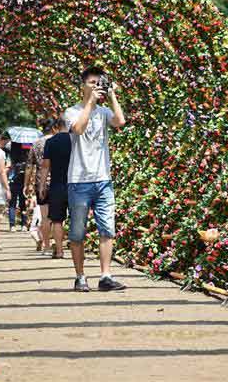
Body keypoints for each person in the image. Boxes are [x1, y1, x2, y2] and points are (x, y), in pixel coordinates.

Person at [63, 66, 127, 292]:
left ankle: (106, 276)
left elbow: (120, 121)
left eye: (100, 83)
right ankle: (80, 276)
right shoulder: (71, 111)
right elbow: (78, 129)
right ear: (82, 85)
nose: (96, 86)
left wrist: (111, 95)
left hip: (103, 180)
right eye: (92, 83)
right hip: (79, 180)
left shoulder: (104, 112)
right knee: (77, 232)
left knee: (107, 228)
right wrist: (90, 102)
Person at [38, 118, 71, 259]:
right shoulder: (76, 140)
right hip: (75, 185)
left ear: (55, 128)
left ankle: (59, 251)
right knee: (77, 219)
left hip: (57, 185)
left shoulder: (50, 142)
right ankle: (79, 251)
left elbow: (45, 166)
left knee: (57, 220)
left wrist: (42, 185)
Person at [27, 118, 56, 253]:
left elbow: (29, 166)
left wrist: (27, 184)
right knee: (57, 217)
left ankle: (46, 246)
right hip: (58, 181)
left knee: (44, 218)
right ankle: (57, 242)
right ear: (54, 128)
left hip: (41, 183)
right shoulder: (57, 142)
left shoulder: (36, 144)